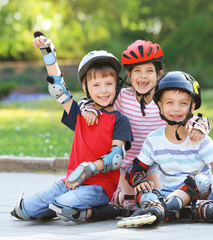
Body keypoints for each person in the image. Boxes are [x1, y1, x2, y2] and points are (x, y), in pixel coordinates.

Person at [10, 31, 133, 223]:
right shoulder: (80, 114)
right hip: (71, 181)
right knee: (24, 210)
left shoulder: (119, 120)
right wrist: (49, 55)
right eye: (96, 85)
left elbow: (116, 158)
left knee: (64, 204)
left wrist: (88, 168)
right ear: (86, 88)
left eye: (108, 84)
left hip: (99, 187)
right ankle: (58, 208)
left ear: (116, 85)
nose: (103, 90)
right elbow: (59, 90)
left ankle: (107, 210)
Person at [80, 40, 211, 209]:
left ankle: (167, 203)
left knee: (157, 197)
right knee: (127, 202)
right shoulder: (122, 97)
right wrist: (88, 109)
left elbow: (190, 117)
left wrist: (201, 126)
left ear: (159, 74)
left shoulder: (164, 99)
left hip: (154, 163)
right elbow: (94, 101)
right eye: (137, 71)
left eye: (149, 71)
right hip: (125, 166)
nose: (143, 76)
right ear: (129, 74)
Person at [117, 71, 213, 227]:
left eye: (183, 103)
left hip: (201, 191)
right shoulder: (153, 140)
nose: (176, 109)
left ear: (192, 106)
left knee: (198, 178)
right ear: (159, 105)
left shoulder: (200, 140)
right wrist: (139, 180)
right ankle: (196, 211)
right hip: (168, 193)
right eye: (169, 103)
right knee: (143, 193)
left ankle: (159, 211)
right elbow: (136, 169)